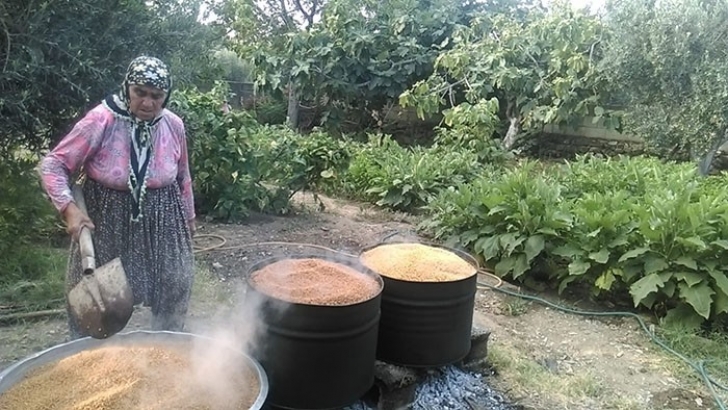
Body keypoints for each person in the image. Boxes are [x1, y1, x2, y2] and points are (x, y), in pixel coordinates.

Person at [39, 55, 196, 339]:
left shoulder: (173, 125)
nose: (148, 103)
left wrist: (189, 216)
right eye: (140, 93)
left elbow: (183, 175)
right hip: (107, 215)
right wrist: (69, 209)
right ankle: (87, 359)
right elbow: (54, 165)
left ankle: (167, 353)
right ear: (127, 89)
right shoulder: (102, 119)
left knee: (175, 282)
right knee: (94, 296)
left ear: (166, 96)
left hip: (164, 216)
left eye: (157, 96)